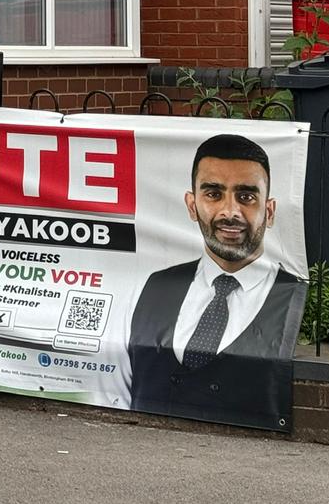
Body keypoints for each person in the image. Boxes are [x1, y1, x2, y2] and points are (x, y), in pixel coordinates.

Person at [126, 134, 306, 429]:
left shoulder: (291, 291)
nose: (230, 212)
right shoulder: (153, 286)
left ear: (269, 211)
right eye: (213, 194)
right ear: (192, 205)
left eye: (246, 196)